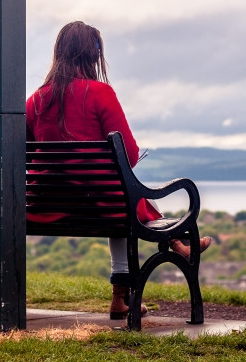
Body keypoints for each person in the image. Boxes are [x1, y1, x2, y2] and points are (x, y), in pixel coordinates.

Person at [26, 21, 211, 320]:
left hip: (46, 205)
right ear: (92, 55)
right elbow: (131, 155)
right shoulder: (100, 94)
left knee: (120, 196)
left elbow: (27, 151)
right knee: (124, 197)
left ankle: (164, 257)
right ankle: (142, 275)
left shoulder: (35, 100)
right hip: (99, 206)